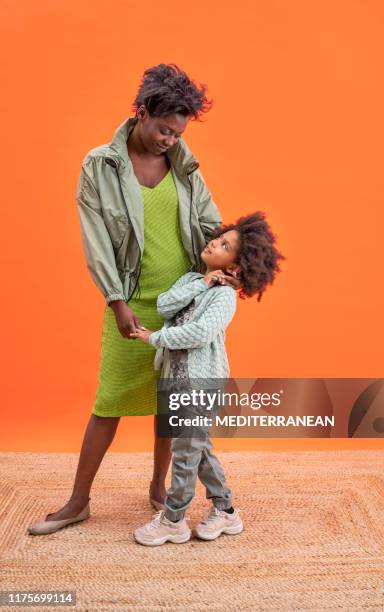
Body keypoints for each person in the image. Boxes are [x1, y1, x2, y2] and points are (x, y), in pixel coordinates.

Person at [27, 63, 241, 536]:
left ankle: (158, 490)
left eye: (177, 132)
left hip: (182, 300)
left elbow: (209, 223)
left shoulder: (184, 165)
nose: (170, 139)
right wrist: (115, 299)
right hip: (129, 301)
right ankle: (78, 501)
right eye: (164, 129)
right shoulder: (99, 165)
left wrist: (227, 268)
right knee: (109, 401)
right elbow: (96, 239)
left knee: (171, 401)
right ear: (142, 112)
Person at [131, 211, 285, 545]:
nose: (215, 242)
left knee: (186, 453)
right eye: (219, 237)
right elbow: (163, 305)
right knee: (198, 451)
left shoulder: (225, 297)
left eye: (225, 245)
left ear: (234, 267)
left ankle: (174, 519)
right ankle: (226, 512)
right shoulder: (192, 281)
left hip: (203, 384)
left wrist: (154, 339)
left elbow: (200, 333)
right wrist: (202, 282)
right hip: (176, 382)